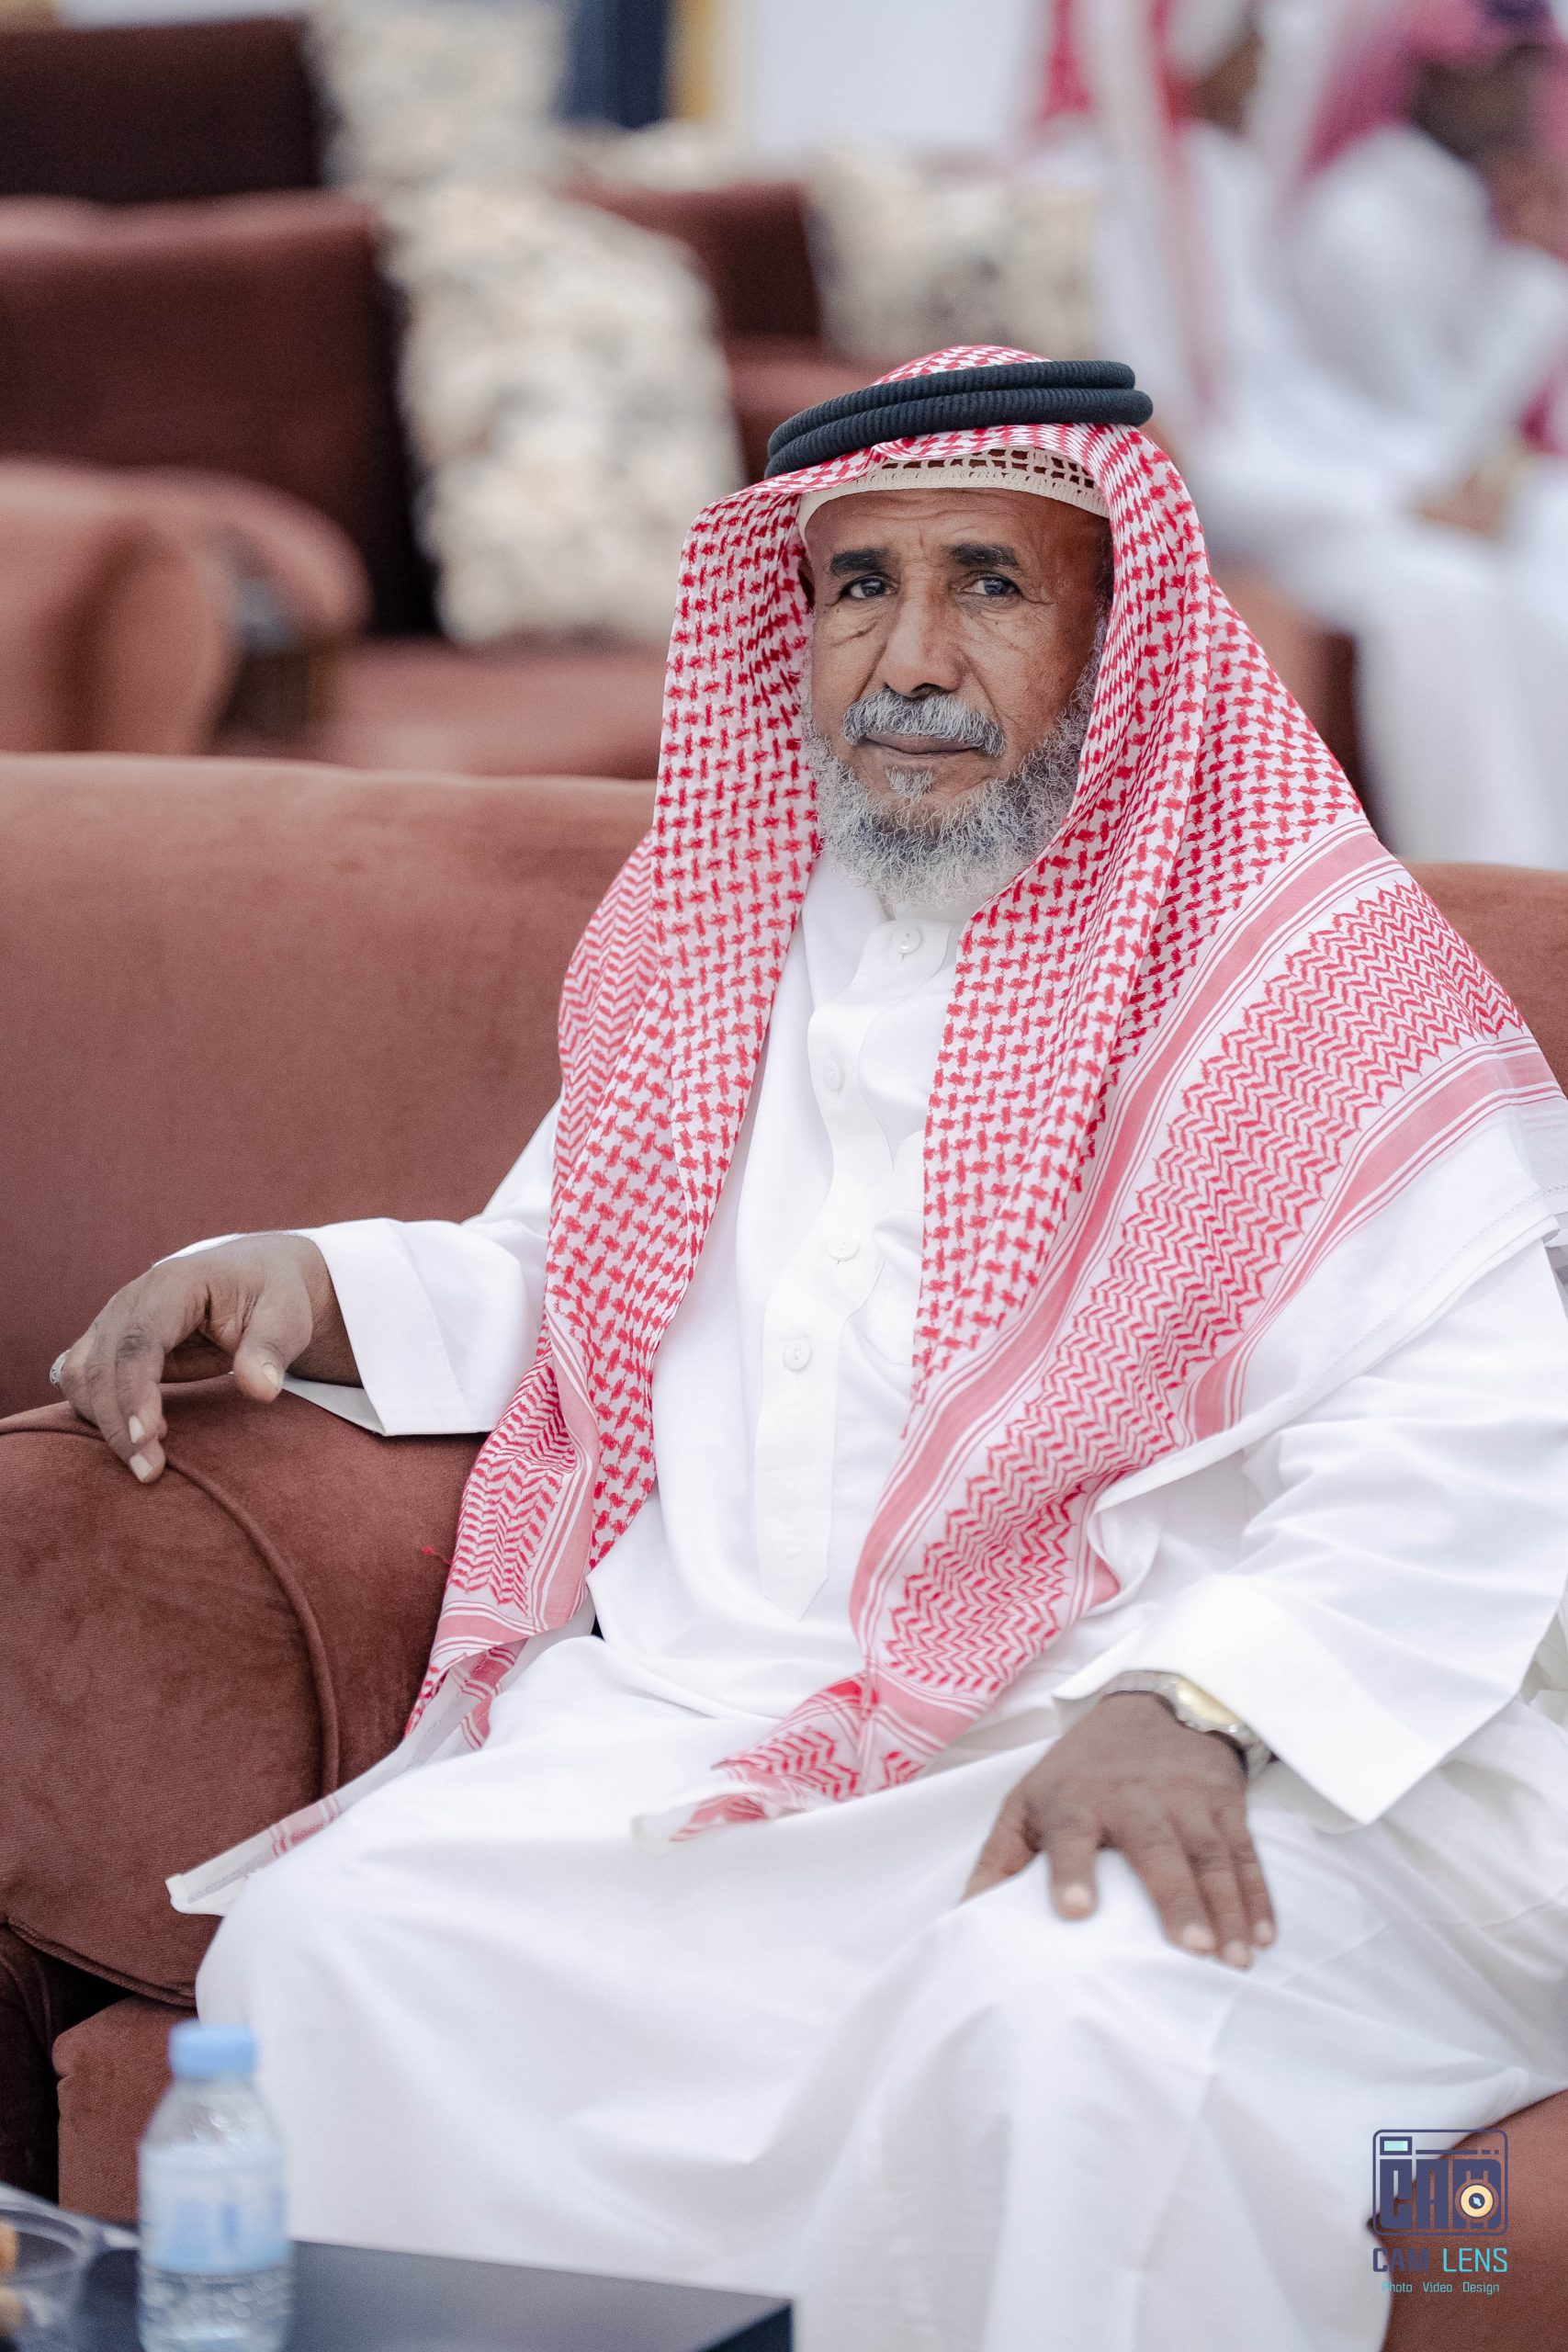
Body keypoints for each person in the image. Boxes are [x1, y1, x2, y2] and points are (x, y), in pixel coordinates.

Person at [53, 349, 1568, 2352]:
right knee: (344, 1949)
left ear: (1118, 629)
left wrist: (1197, 1702)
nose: (909, 658)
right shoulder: (726, 932)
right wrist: (311, 1280)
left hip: (1171, 1719)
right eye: (859, 586)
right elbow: (591, 1270)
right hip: (746, 1708)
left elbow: (1469, 1427)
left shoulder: (1304, 970)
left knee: (1051, 2023)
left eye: (988, 583)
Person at [1035, 0, 1568, 865]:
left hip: (1303, 482)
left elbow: (1290, 391)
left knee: (1519, 546)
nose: (1263, 58)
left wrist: (1420, 483)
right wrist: (1392, 501)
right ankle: (1488, 887)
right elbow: (1173, 435)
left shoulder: (1217, 182)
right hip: (1220, 502)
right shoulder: (1084, 195)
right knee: (1444, 595)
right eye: (1242, 32)